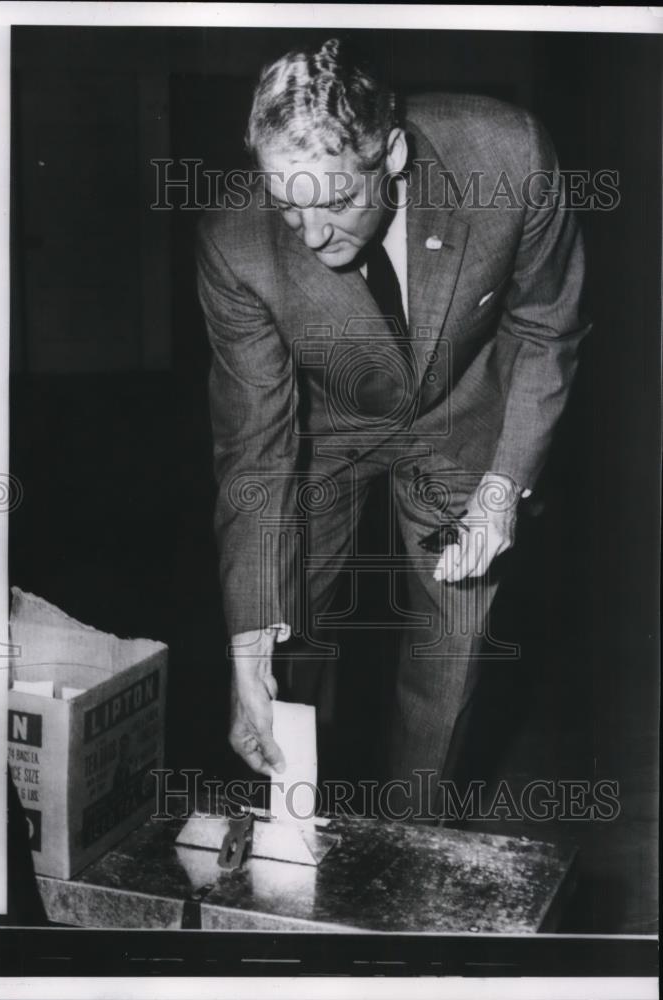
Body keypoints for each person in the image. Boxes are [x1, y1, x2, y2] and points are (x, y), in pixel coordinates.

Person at [196, 38, 590, 818]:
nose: (308, 236)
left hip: (460, 408)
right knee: (284, 637)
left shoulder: (508, 158)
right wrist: (244, 650)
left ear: (394, 154)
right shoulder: (235, 244)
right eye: (288, 205)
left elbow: (548, 327)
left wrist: (503, 487)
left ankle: (416, 852)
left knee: (451, 657)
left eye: (335, 202)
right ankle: (296, 836)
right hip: (326, 421)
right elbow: (256, 448)